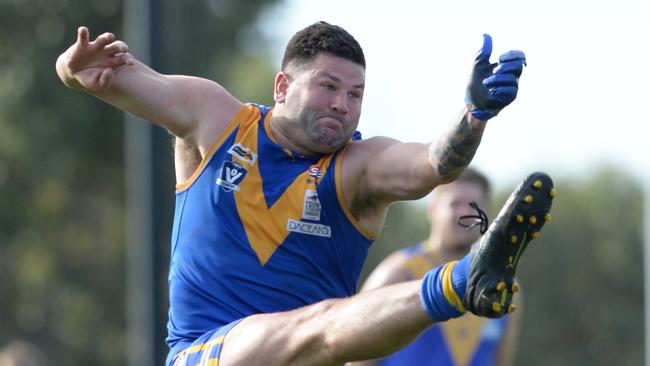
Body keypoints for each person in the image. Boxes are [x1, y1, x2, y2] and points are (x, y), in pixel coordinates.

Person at [55, 21, 554, 366]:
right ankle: (461, 283)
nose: (342, 105)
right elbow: (102, 76)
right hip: (205, 353)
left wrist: (473, 116)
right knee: (315, 326)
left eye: (355, 95)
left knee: (319, 331)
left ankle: (466, 281)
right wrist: (69, 66)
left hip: (312, 355)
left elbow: (432, 163)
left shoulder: (357, 168)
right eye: (327, 86)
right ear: (281, 86)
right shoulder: (216, 119)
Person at [351, 168, 521, 366]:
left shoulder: (505, 286)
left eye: (474, 205)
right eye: (454, 204)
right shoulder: (397, 272)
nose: (465, 212)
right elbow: (357, 360)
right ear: (432, 210)